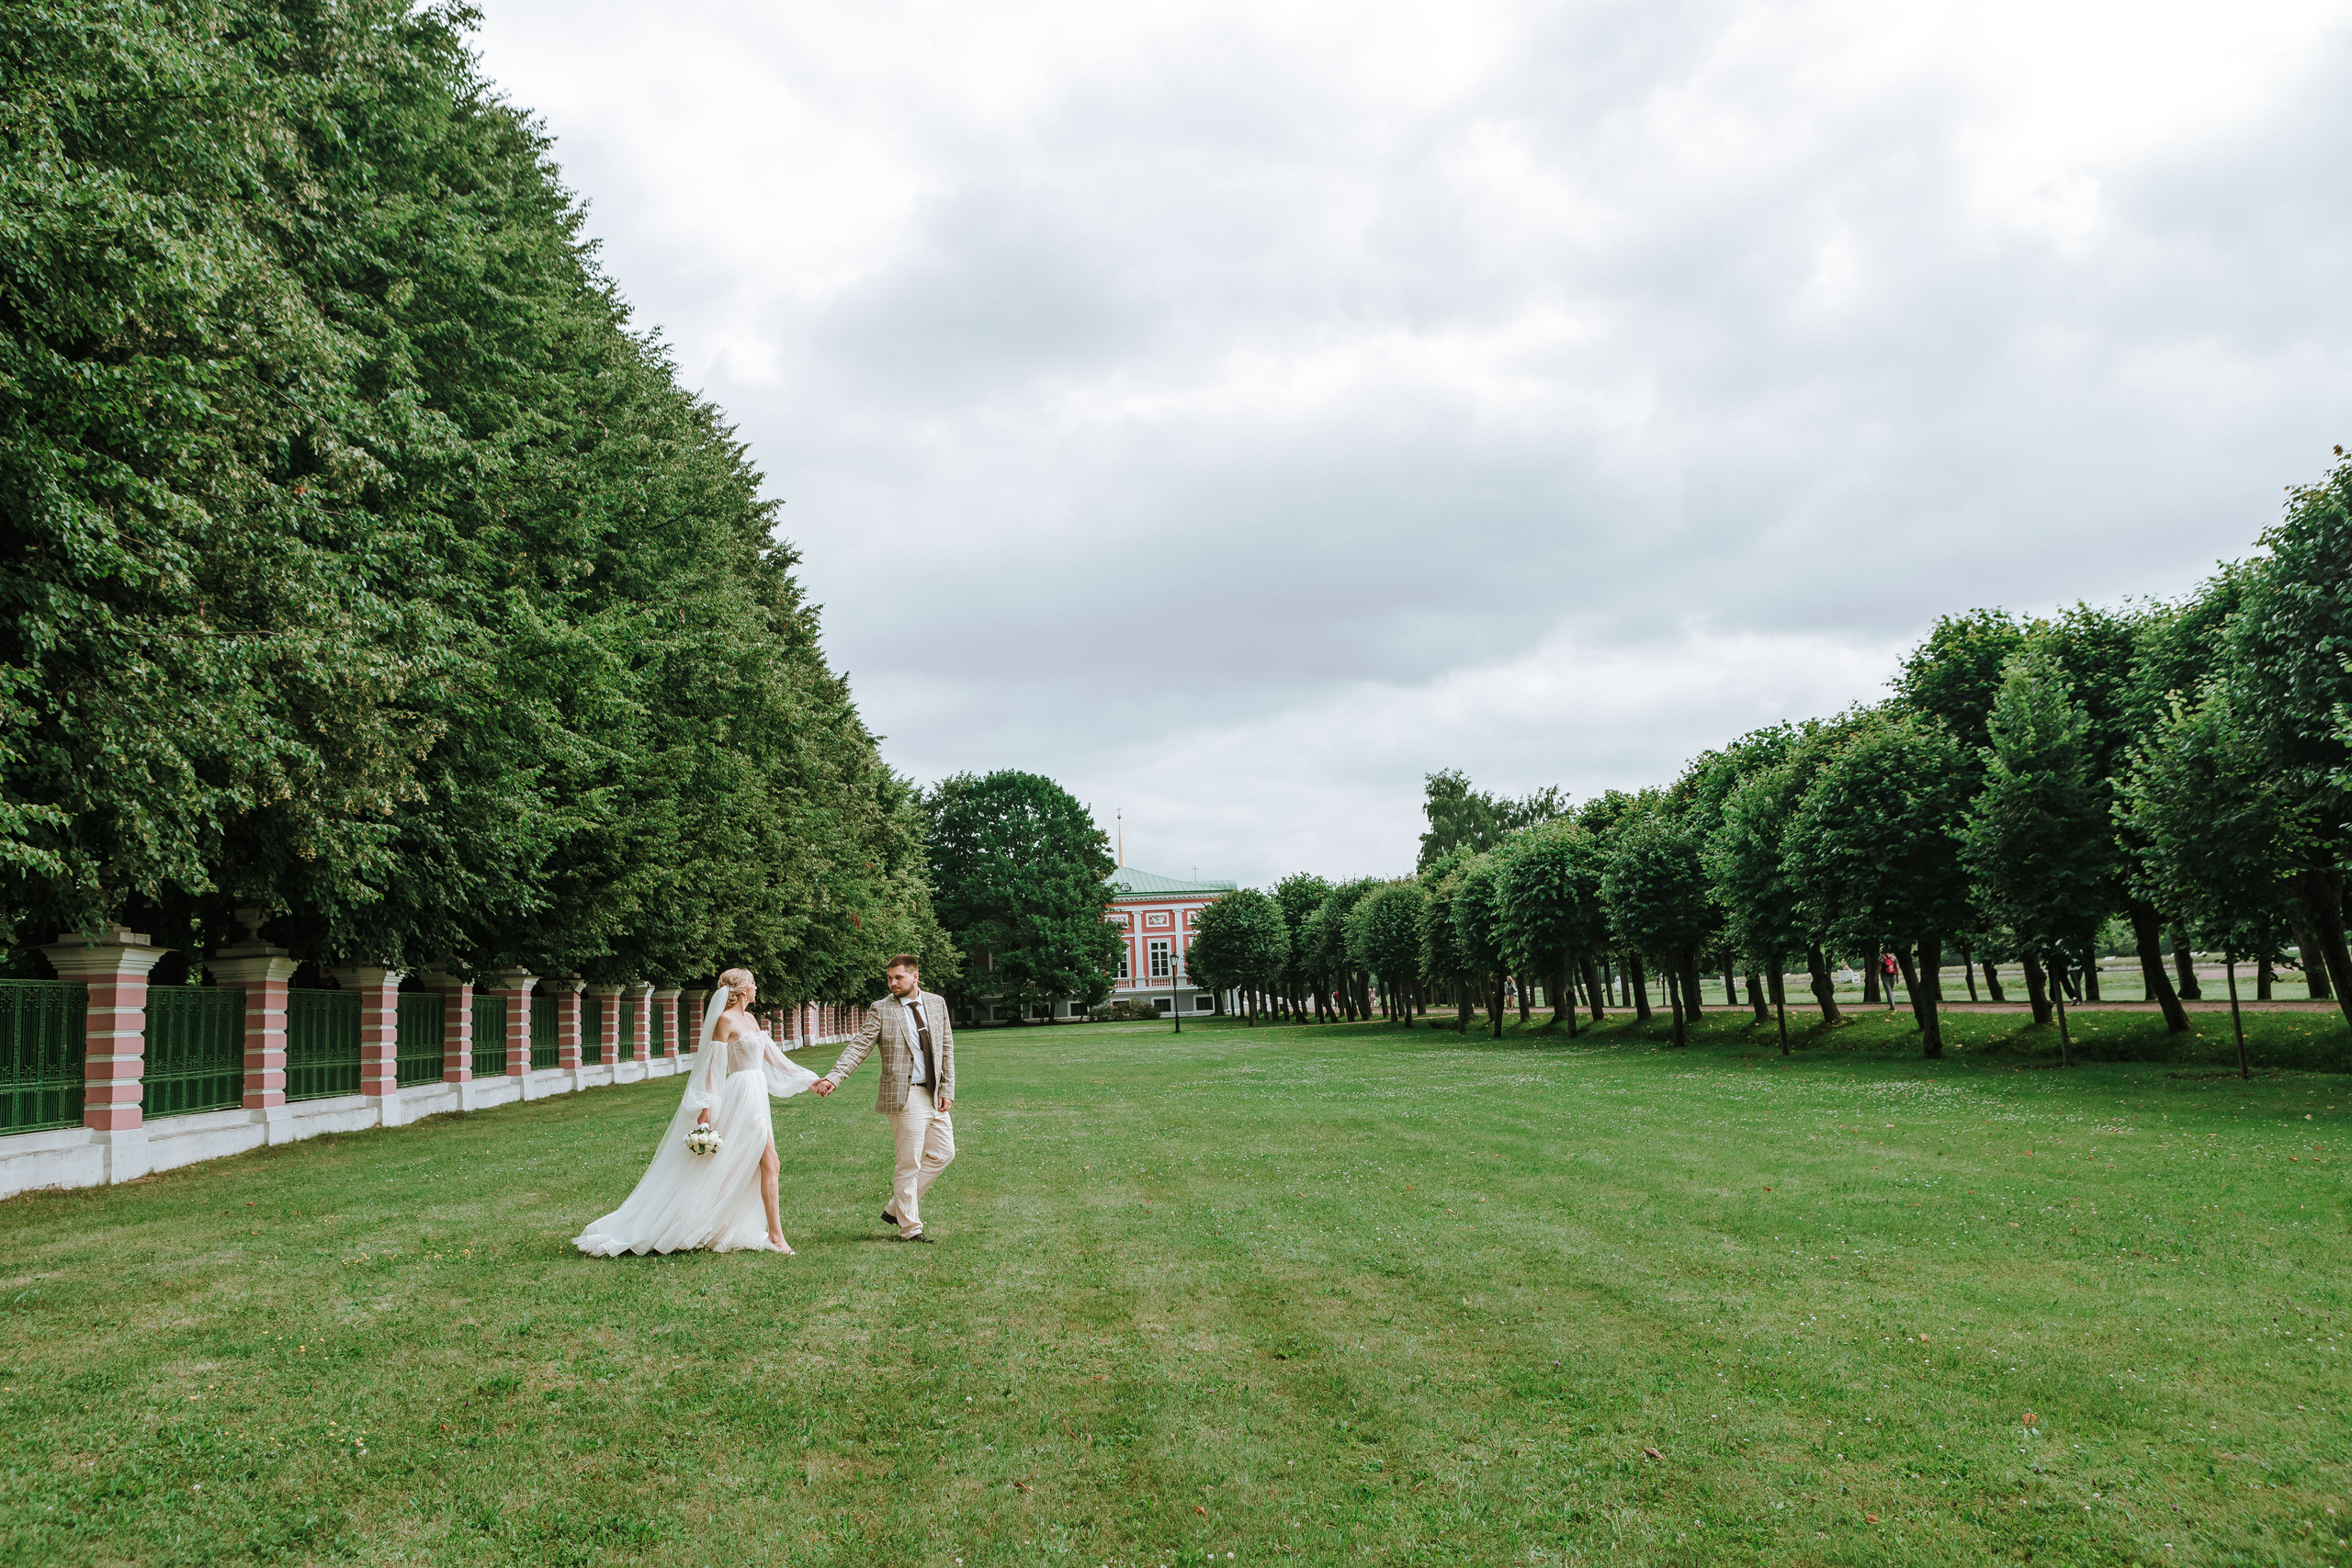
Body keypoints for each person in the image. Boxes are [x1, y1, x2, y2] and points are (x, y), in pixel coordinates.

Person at [574, 968, 819, 1257]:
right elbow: (713, 1069)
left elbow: (776, 1058)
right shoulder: (725, 1021)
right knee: (769, 1163)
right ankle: (776, 1238)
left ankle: (740, 1227)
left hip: (756, 1091)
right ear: (741, 990)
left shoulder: (751, 1019)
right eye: (752, 983)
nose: (756, 987)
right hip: (741, 1095)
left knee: (756, 1165)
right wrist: (706, 1112)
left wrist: (811, 1080)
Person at [812, 954, 955, 1243]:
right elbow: (859, 1047)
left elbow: (946, 1047)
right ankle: (910, 1228)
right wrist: (834, 1077)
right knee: (909, 1163)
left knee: (944, 1153)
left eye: (898, 977)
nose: (893, 983)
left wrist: (947, 1090)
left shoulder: (937, 1003)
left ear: (915, 976)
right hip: (905, 1095)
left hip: (933, 1092)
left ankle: (895, 1208)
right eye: (890, 978)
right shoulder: (881, 1009)